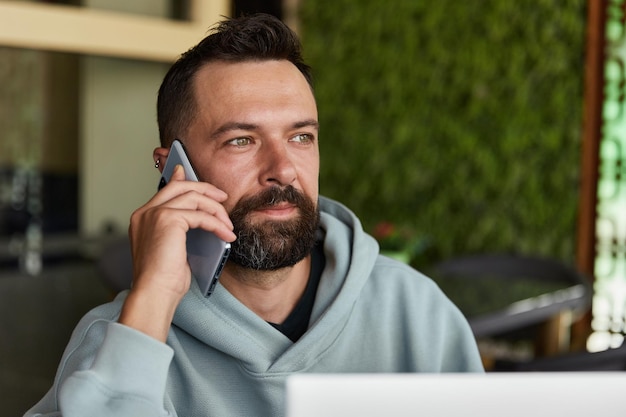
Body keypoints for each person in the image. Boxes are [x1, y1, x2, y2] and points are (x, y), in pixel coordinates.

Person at [25, 13, 483, 417]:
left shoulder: (417, 313)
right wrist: (155, 298)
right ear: (172, 168)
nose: (282, 169)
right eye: (241, 140)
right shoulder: (120, 341)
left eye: (301, 137)